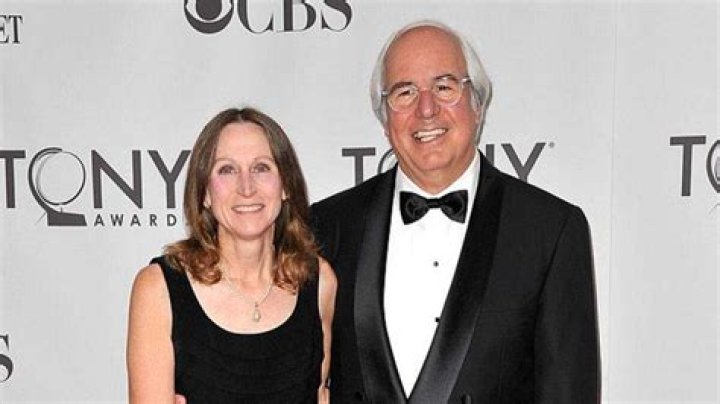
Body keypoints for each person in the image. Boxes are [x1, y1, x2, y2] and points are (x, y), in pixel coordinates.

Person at [310, 21, 600, 403]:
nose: (426, 109)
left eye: (444, 87)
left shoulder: (550, 231)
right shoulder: (327, 227)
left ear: (477, 104)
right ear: (384, 120)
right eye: (404, 92)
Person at [127, 107, 337, 403]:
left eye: (261, 168)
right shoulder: (158, 288)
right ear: (205, 192)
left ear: (286, 185)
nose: (246, 187)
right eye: (227, 170)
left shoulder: (319, 281)